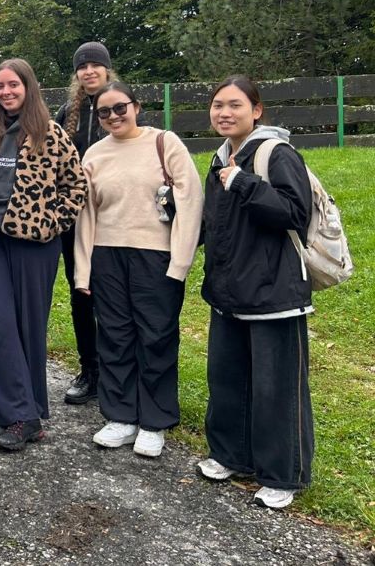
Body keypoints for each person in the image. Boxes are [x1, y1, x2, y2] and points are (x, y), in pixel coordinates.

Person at [0, 58, 86, 452]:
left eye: (14, 85)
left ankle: (28, 414)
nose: (6, 92)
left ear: (29, 88)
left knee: (29, 326)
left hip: (35, 245)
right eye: (1, 86)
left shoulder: (51, 133)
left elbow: (76, 185)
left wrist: (51, 222)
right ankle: (21, 413)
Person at [197, 76, 314, 509]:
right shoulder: (220, 157)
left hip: (274, 294)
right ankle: (231, 456)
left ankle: (284, 473)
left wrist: (243, 183)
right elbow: (215, 223)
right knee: (227, 380)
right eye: (217, 106)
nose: (224, 113)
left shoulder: (276, 153)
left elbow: (293, 212)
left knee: (276, 388)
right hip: (228, 294)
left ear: (257, 110)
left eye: (234, 105)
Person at [74, 81, 204, 458]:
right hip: (107, 255)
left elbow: (191, 202)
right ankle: (120, 416)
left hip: (155, 255)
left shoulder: (165, 143)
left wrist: (180, 262)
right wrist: (83, 271)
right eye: (104, 112)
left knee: (156, 337)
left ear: (136, 106)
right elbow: (86, 216)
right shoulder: (95, 155)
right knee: (114, 336)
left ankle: (154, 421)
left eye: (120, 108)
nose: (113, 116)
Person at [54, 41, 119, 406]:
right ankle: (89, 369)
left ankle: (117, 370)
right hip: (75, 217)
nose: (89, 71)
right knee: (81, 291)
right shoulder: (68, 113)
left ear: (107, 69)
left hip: (113, 216)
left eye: (96, 65)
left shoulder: (120, 106)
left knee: (111, 293)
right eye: (83, 67)